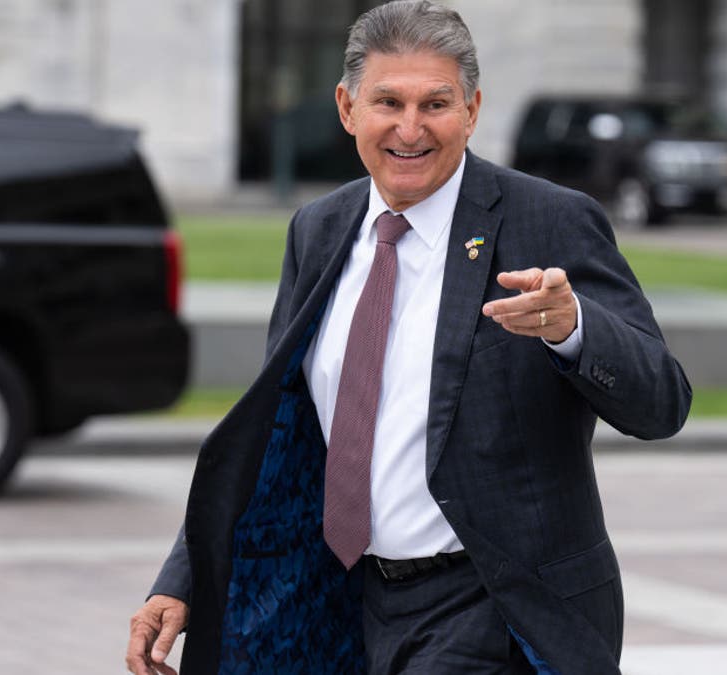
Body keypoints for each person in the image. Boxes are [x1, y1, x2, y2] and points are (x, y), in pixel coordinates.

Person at [126, 2, 691, 673]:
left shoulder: (549, 221)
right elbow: (278, 431)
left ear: (473, 111)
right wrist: (184, 576)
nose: (410, 129)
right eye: (387, 101)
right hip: (346, 600)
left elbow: (663, 401)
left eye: (436, 104)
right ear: (347, 107)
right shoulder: (319, 230)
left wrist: (575, 329)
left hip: (494, 605)